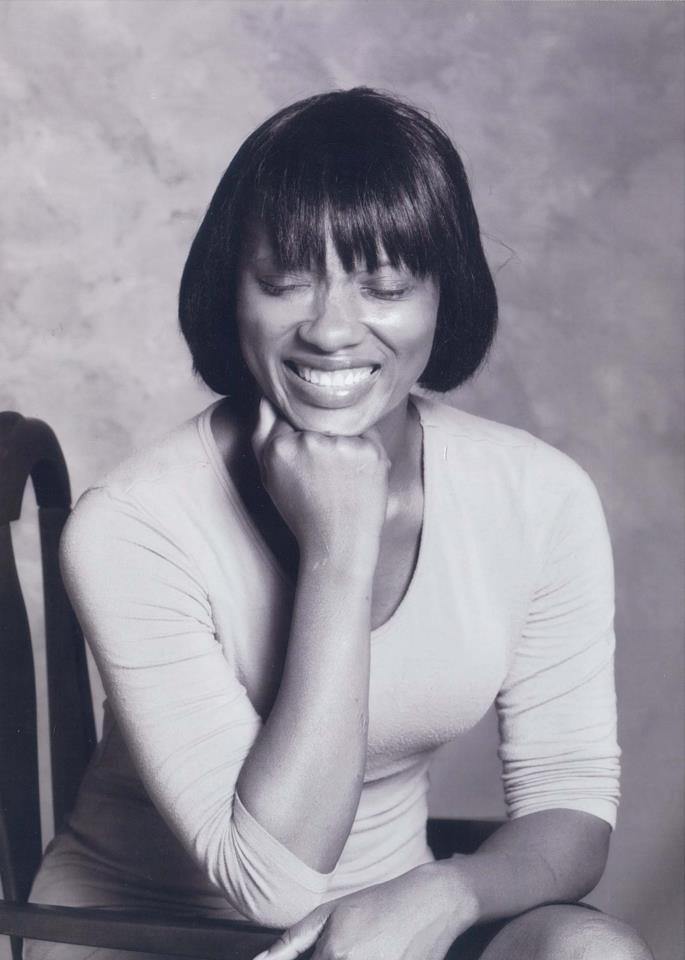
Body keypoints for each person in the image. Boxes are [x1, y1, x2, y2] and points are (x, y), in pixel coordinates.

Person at [27, 88, 653, 960]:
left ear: (442, 297)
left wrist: (445, 892)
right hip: (140, 933)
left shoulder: (537, 496)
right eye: (283, 282)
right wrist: (336, 549)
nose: (329, 330)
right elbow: (270, 881)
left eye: (385, 286)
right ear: (231, 291)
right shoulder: (132, 525)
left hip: (383, 928)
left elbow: (570, 800)